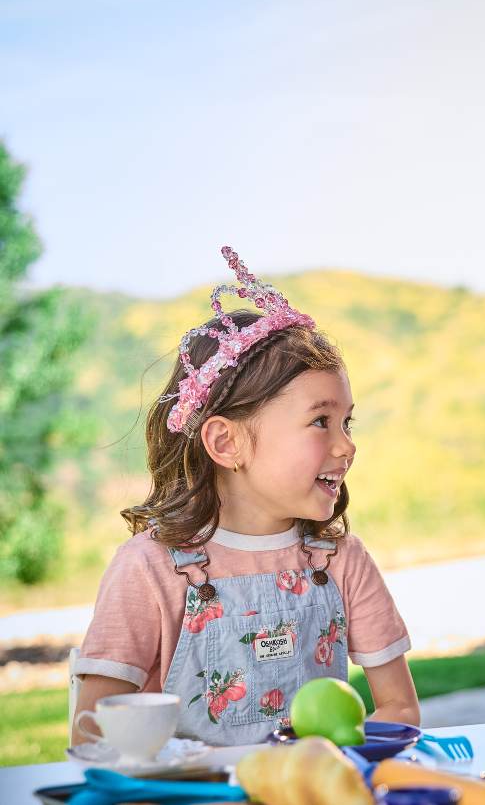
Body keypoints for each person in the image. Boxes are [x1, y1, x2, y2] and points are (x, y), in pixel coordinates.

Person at [73, 246, 420, 747]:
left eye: (347, 422)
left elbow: (401, 707)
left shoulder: (342, 561)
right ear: (225, 442)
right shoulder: (149, 570)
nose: (347, 444)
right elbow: (93, 736)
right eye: (320, 421)